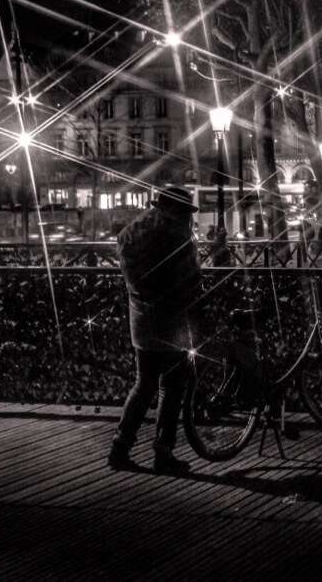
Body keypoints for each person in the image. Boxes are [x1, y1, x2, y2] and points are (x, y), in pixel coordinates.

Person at [107, 186, 202, 475]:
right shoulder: (176, 237)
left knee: (143, 384)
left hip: (141, 317)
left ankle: (119, 448)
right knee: (171, 388)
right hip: (171, 320)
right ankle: (163, 452)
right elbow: (189, 283)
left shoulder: (134, 231)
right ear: (179, 212)